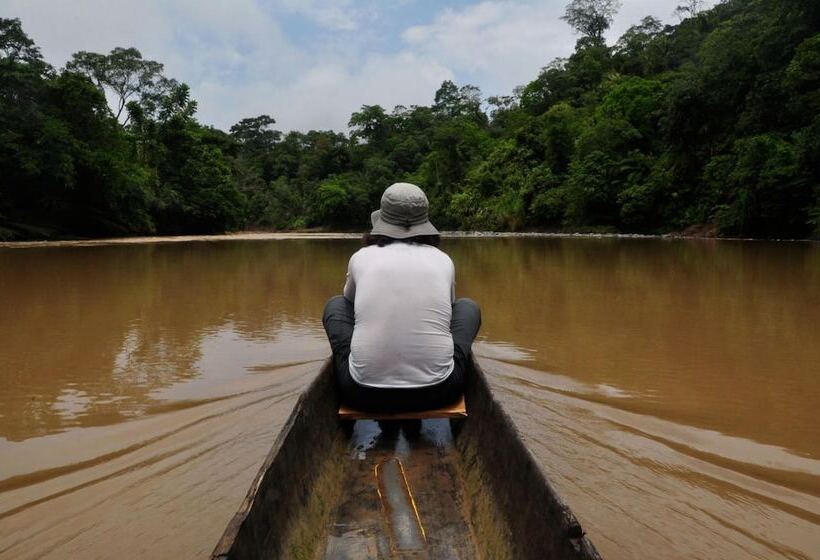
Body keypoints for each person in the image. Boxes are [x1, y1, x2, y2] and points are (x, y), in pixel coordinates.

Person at [322, 182, 481, 413]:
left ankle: (365, 366)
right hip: (440, 392)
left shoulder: (361, 257)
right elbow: (449, 310)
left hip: (362, 394)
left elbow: (350, 303)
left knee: (336, 304)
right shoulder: (443, 259)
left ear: (382, 221)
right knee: (467, 307)